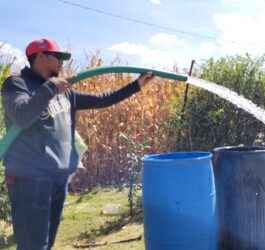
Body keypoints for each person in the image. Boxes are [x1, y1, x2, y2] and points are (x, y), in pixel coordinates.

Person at [1, 38, 154, 250]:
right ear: (40, 56)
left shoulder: (66, 92)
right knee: (32, 246)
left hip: (58, 177)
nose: (62, 62)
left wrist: (135, 86)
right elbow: (21, 117)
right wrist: (50, 88)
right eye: (58, 57)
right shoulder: (17, 84)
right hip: (29, 178)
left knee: (47, 243)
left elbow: (102, 99)